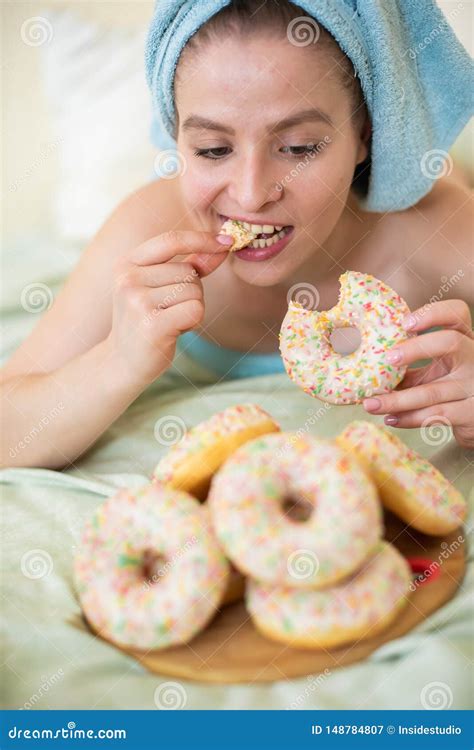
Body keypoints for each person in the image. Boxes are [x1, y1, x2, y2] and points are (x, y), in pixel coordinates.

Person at [1, 0, 473, 469]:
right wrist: (116, 362)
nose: (250, 195)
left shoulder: (432, 230)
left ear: (365, 136)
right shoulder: (146, 233)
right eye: (212, 149)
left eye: (297, 147)